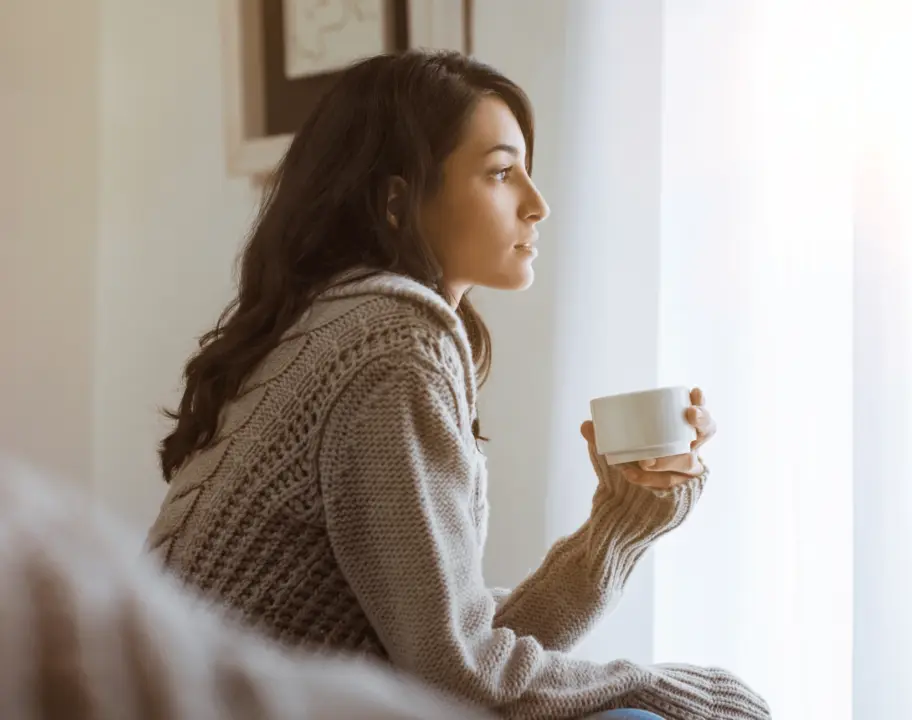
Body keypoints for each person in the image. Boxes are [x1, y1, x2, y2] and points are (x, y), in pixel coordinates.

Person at [147, 50, 769, 720]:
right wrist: (660, 688)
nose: (538, 204)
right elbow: (458, 677)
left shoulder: (344, 322)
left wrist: (621, 523)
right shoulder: (389, 344)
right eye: (502, 172)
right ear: (398, 200)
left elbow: (451, 649)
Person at [0, 456, 489, 720]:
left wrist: (571, 564)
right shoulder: (396, 340)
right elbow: (454, 669)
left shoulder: (307, 328)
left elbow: (458, 630)